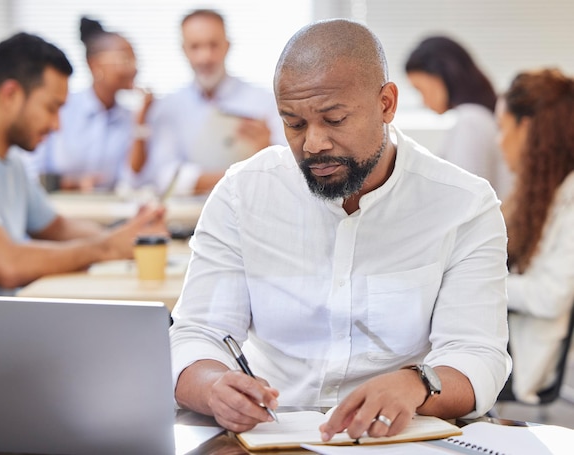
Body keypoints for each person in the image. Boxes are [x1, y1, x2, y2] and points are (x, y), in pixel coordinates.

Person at [170, 19, 511, 441]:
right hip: (267, 438)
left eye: (334, 119)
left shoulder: (463, 204)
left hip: (400, 440)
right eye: (293, 123)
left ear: (386, 103)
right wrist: (212, 387)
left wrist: (416, 384)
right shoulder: (243, 194)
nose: (313, 143)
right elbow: (197, 333)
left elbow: (478, 353)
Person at [0, 32, 166, 394]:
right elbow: (6, 264)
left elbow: (55, 225)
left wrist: (128, 233)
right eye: (51, 107)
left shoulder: (7, 160)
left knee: (124, 344)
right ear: (11, 95)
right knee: (107, 362)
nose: (56, 125)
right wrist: (107, 248)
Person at [129, 9, 286, 196]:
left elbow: (285, 167)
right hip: (186, 220)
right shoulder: (168, 106)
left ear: (227, 46)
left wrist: (267, 149)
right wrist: (243, 174)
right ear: (184, 50)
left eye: (213, 45)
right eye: (195, 47)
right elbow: (163, 175)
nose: (205, 57)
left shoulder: (265, 102)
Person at [495, 68, 574, 404]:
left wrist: (482, 282)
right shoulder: (545, 194)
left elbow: (550, 295)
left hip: (531, 364)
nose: (498, 142)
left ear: (526, 129)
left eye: (501, 128)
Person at [23, 17, 153, 191]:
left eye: (134, 59)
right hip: (56, 210)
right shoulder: (61, 108)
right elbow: (30, 171)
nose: (133, 68)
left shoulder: (129, 118)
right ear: (94, 65)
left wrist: (141, 121)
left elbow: (131, 180)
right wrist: (72, 184)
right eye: (124, 58)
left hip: (105, 214)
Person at [405, 36, 513, 200]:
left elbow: (464, 198)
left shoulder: (471, 121)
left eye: (420, 89)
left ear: (440, 75)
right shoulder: (477, 117)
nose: (423, 102)